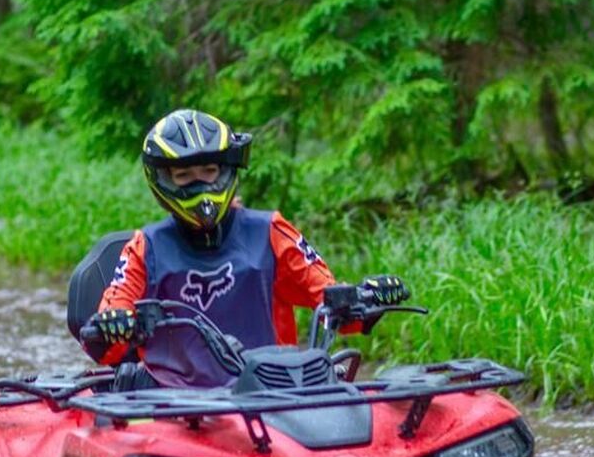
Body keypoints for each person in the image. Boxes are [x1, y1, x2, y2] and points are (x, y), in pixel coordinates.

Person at [83, 108, 408, 388]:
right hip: (176, 404)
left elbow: (329, 300)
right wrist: (114, 324)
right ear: (163, 179)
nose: (201, 183)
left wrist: (367, 297)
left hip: (270, 393)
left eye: (209, 170)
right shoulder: (146, 247)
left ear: (226, 170)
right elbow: (110, 332)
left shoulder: (271, 231)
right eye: (184, 175)